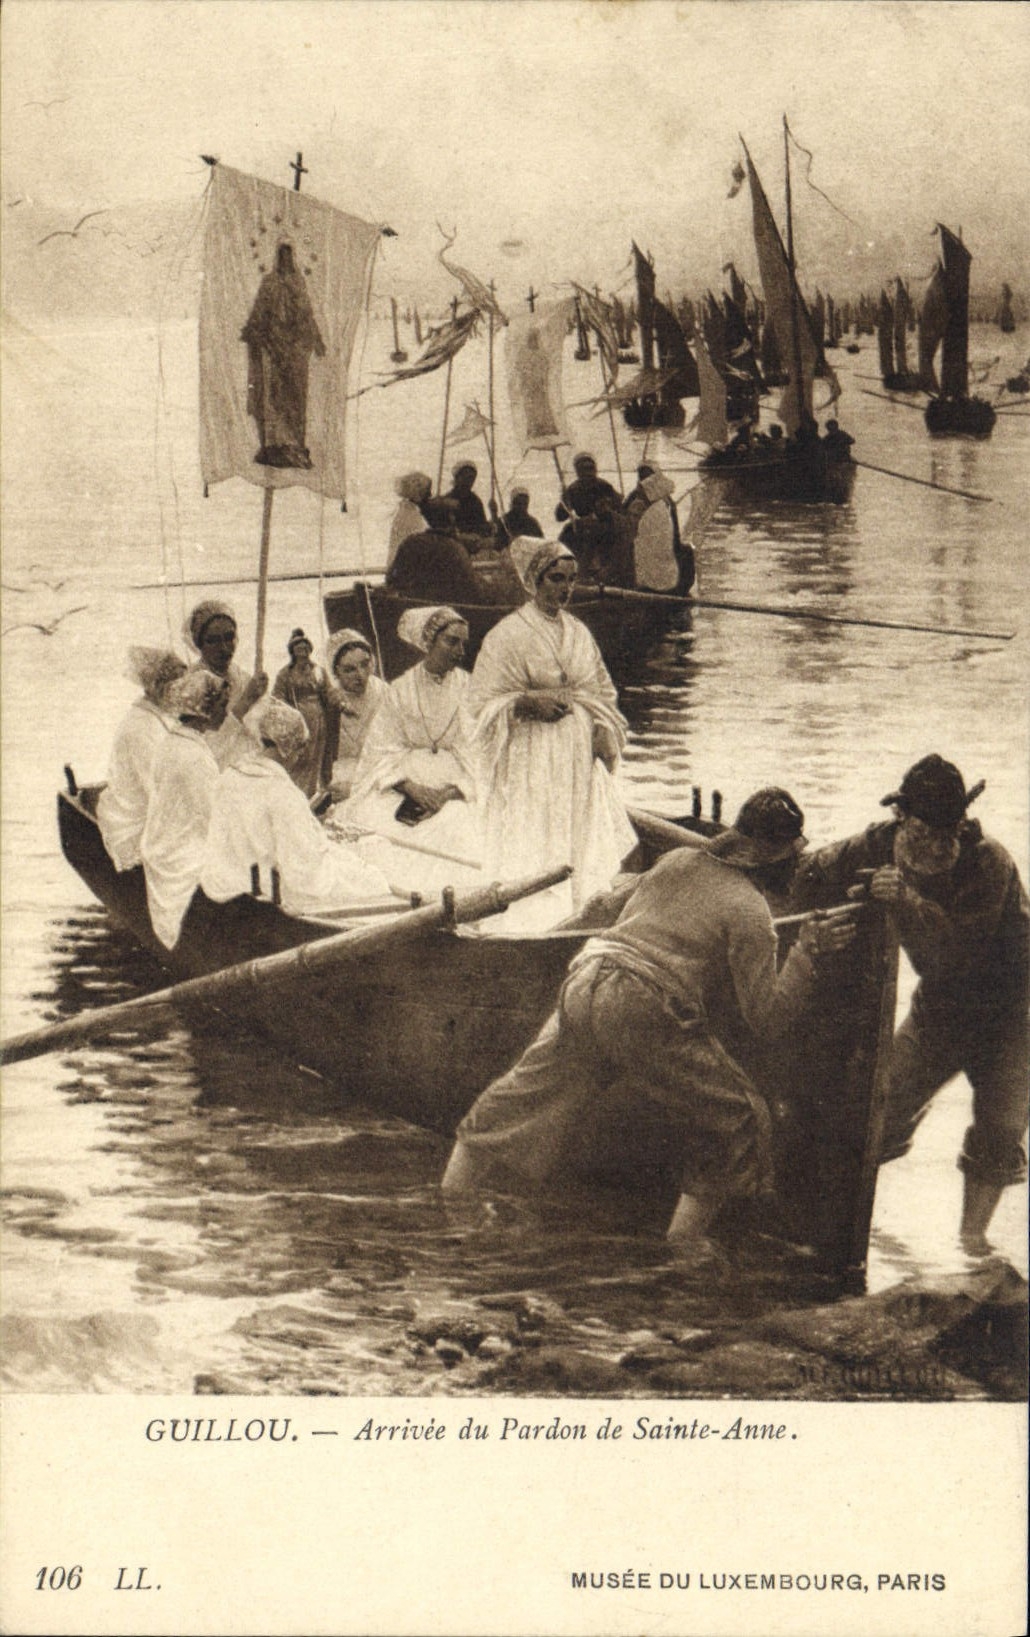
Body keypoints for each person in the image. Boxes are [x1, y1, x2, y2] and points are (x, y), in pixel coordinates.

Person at [443, 789, 855, 1258]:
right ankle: (685, 1243)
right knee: (740, 1114)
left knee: (523, 1092)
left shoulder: (677, 860)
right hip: (640, 1001)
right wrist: (806, 954)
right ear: (775, 859)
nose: (797, 867)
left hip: (584, 977)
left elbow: (630, 912)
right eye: (792, 857)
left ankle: (451, 1197)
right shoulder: (751, 913)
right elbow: (765, 1020)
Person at [790, 755, 1029, 1253]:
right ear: (903, 817)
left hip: (1013, 1012)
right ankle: (838, 1227)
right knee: (879, 1107)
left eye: (952, 828)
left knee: (1001, 1127)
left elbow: (959, 955)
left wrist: (904, 901)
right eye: (928, 828)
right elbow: (812, 872)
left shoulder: (990, 862)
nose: (941, 841)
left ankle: (972, 1242)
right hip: (939, 1011)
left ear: (963, 822)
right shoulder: (877, 844)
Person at [469, 537, 635, 932]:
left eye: (571, 580)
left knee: (575, 826)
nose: (564, 588)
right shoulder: (507, 634)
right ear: (535, 581)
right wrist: (525, 703)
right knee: (537, 828)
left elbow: (600, 690)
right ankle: (532, 915)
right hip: (531, 753)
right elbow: (479, 704)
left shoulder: (578, 632)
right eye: (555, 579)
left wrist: (601, 727)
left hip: (576, 753)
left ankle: (578, 908)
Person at [334, 606, 481, 895]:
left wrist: (449, 793)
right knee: (375, 824)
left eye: (464, 643)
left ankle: (457, 898)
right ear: (429, 642)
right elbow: (381, 750)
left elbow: (480, 751)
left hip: (456, 783)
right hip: (404, 784)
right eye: (452, 641)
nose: (460, 650)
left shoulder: (471, 688)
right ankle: (400, 898)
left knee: (459, 826)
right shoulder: (401, 690)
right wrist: (412, 788)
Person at [201, 698, 391, 917]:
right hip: (269, 890)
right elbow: (306, 870)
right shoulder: (283, 794)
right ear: (289, 749)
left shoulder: (229, 776)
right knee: (372, 878)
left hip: (228, 881)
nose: (301, 756)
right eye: (300, 748)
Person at [139, 669, 229, 950]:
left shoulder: (173, 741)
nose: (226, 712)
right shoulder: (194, 757)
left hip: (163, 845)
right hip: (180, 855)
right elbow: (212, 820)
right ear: (205, 710)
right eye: (222, 706)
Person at [97, 646, 187, 872]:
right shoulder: (141, 729)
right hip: (132, 825)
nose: (185, 693)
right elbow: (158, 792)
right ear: (157, 688)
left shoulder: (162, 717)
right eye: (178, 686)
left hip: (153, 811)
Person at [240, 240, 326, 469]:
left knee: (295, 401)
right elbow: (259, 312)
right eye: (281, 255)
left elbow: (307, 314)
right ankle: (273, 446)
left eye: (289, 255)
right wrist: (256, 334)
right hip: (273, 351)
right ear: (277, 257)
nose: (285, 260)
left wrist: (316, 340)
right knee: (272, 399)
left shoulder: (299, 282)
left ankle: (295, 446)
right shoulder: (268, 282)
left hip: (295, 353)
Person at [184, 599, 268, 769]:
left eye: (229, 637)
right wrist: (245, 703)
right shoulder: (192, 685)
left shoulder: (241, 677)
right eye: (213, 641)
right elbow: (203, 750)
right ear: (198, 643)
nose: (223, 648)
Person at [324, 628, 390, 803]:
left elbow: (395, 754)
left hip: (378, 776)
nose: (360, 675)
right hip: (340, 778)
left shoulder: (384, 694)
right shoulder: (328, 701)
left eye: (365, 664)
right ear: (336, 672)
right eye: (349, 670)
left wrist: (357, 787)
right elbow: (323, 760)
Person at [272, 628, 333, 799]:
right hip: (298, 721)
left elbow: (329, 692)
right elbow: (277, 696)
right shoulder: (286, 674)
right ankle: (296, 795)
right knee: (300, 758)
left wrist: (339, 702)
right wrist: (288, 712)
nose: (303, 653)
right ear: (293, 652)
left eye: (306, 649)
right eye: (299, 650)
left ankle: (313, 794)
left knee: (316, 757)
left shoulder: (318, 671)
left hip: (319, 721)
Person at [385, 497, 482, 605]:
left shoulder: (410, 543)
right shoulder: (455, 549)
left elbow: (391, 579)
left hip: (413, 609)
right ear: (451, 519)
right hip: (446, 612)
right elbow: (472, 590)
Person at [555, 452, 620, 523]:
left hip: (606, 525)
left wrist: (608, 504)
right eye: (584, 469)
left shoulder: (604, 486)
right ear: (578, 472)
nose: (588, 473)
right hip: (585, 527)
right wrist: (565, 501)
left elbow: (620, 506)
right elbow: (560, 517)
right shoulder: (573, 490)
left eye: (590, 468)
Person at [387, 471, 432, 569]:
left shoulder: (403, 511)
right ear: (419, 493)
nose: (430, 495)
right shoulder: (412, 516)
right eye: (427, 491)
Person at [445, 461, 491, 537]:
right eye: (465, 477)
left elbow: (481, 525)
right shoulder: (447, 501)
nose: (468, 482)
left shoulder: (476, 502)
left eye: (471, 478)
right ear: (457, 477)